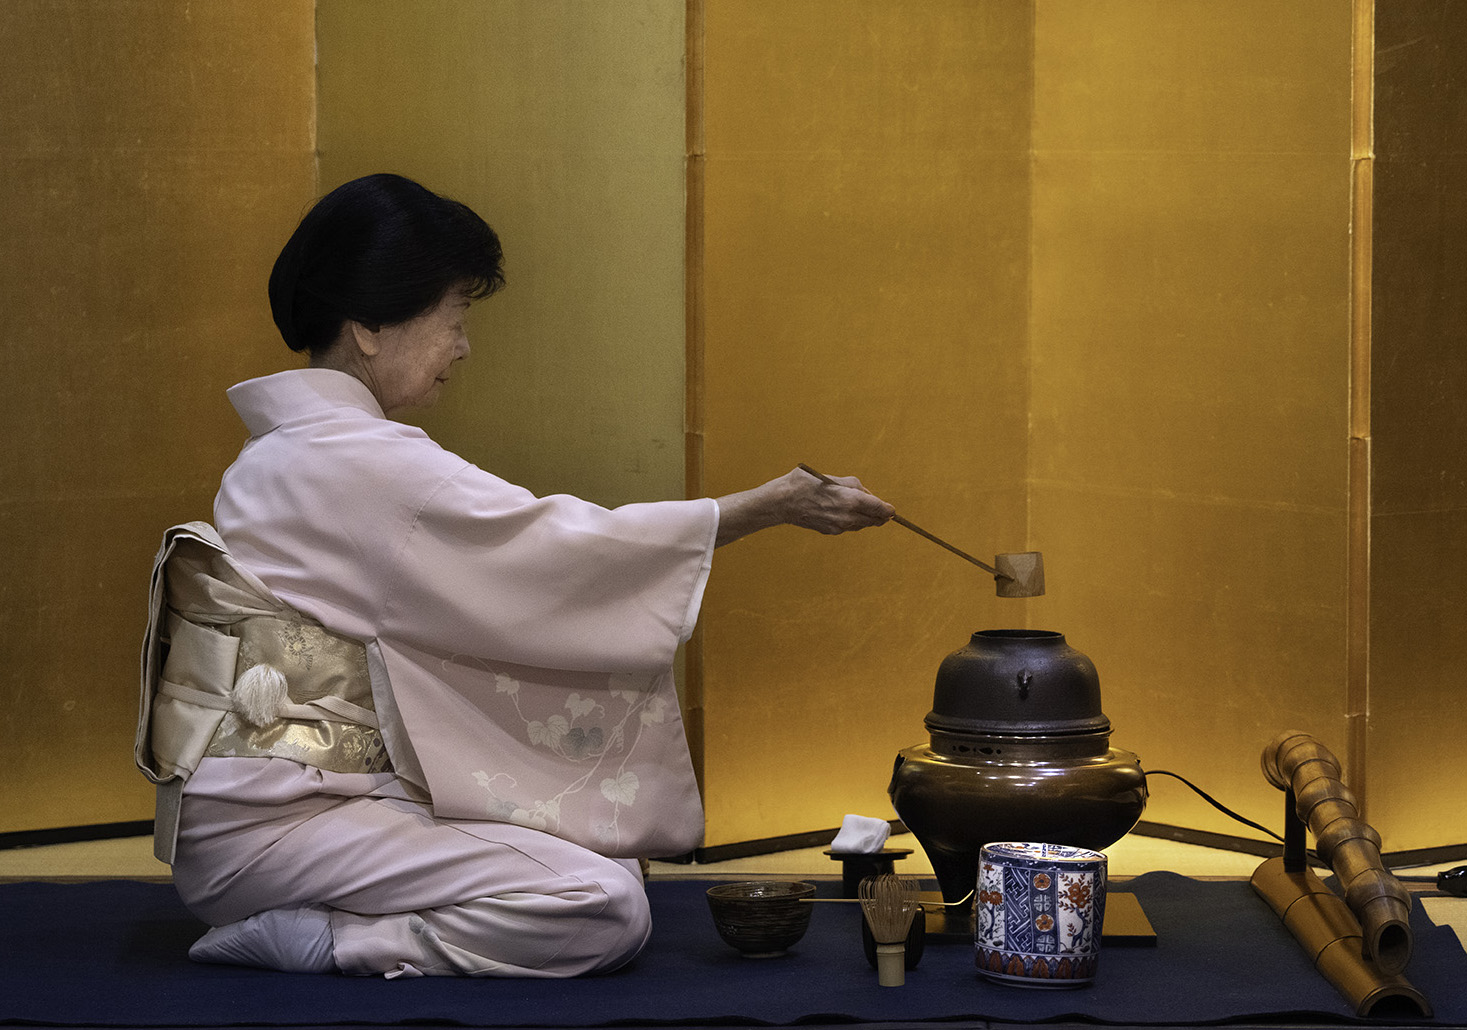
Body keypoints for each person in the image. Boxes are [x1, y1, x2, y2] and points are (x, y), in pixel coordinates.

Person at [136, 173, 893, 979]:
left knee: (602, 864)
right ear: (368, 325)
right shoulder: (347, 460)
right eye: (453, 315)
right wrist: (760, 507)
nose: (462, 345)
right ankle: (335, 941)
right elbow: (553, 555)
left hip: (291, 810)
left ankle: (329, 917)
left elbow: (510, 567)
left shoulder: (293, 453)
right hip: (278, 829)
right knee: (601, 904)